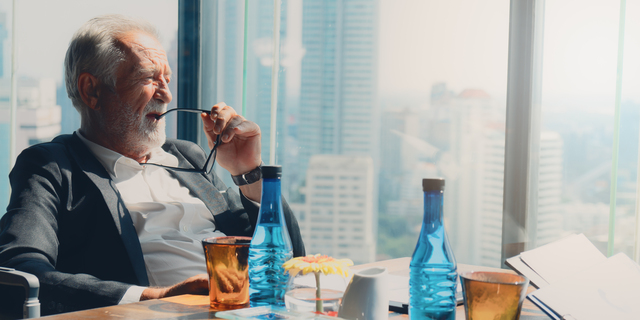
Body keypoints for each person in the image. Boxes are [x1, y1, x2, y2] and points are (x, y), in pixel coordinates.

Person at [0, 14, 304, 315]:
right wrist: (153, 297)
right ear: (91, 90)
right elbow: (20, 273)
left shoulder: (188, 157)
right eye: (148, 78)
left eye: (166, 79)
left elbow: (289, 260)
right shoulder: (51, 166)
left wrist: (247, 172)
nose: (167, 94)